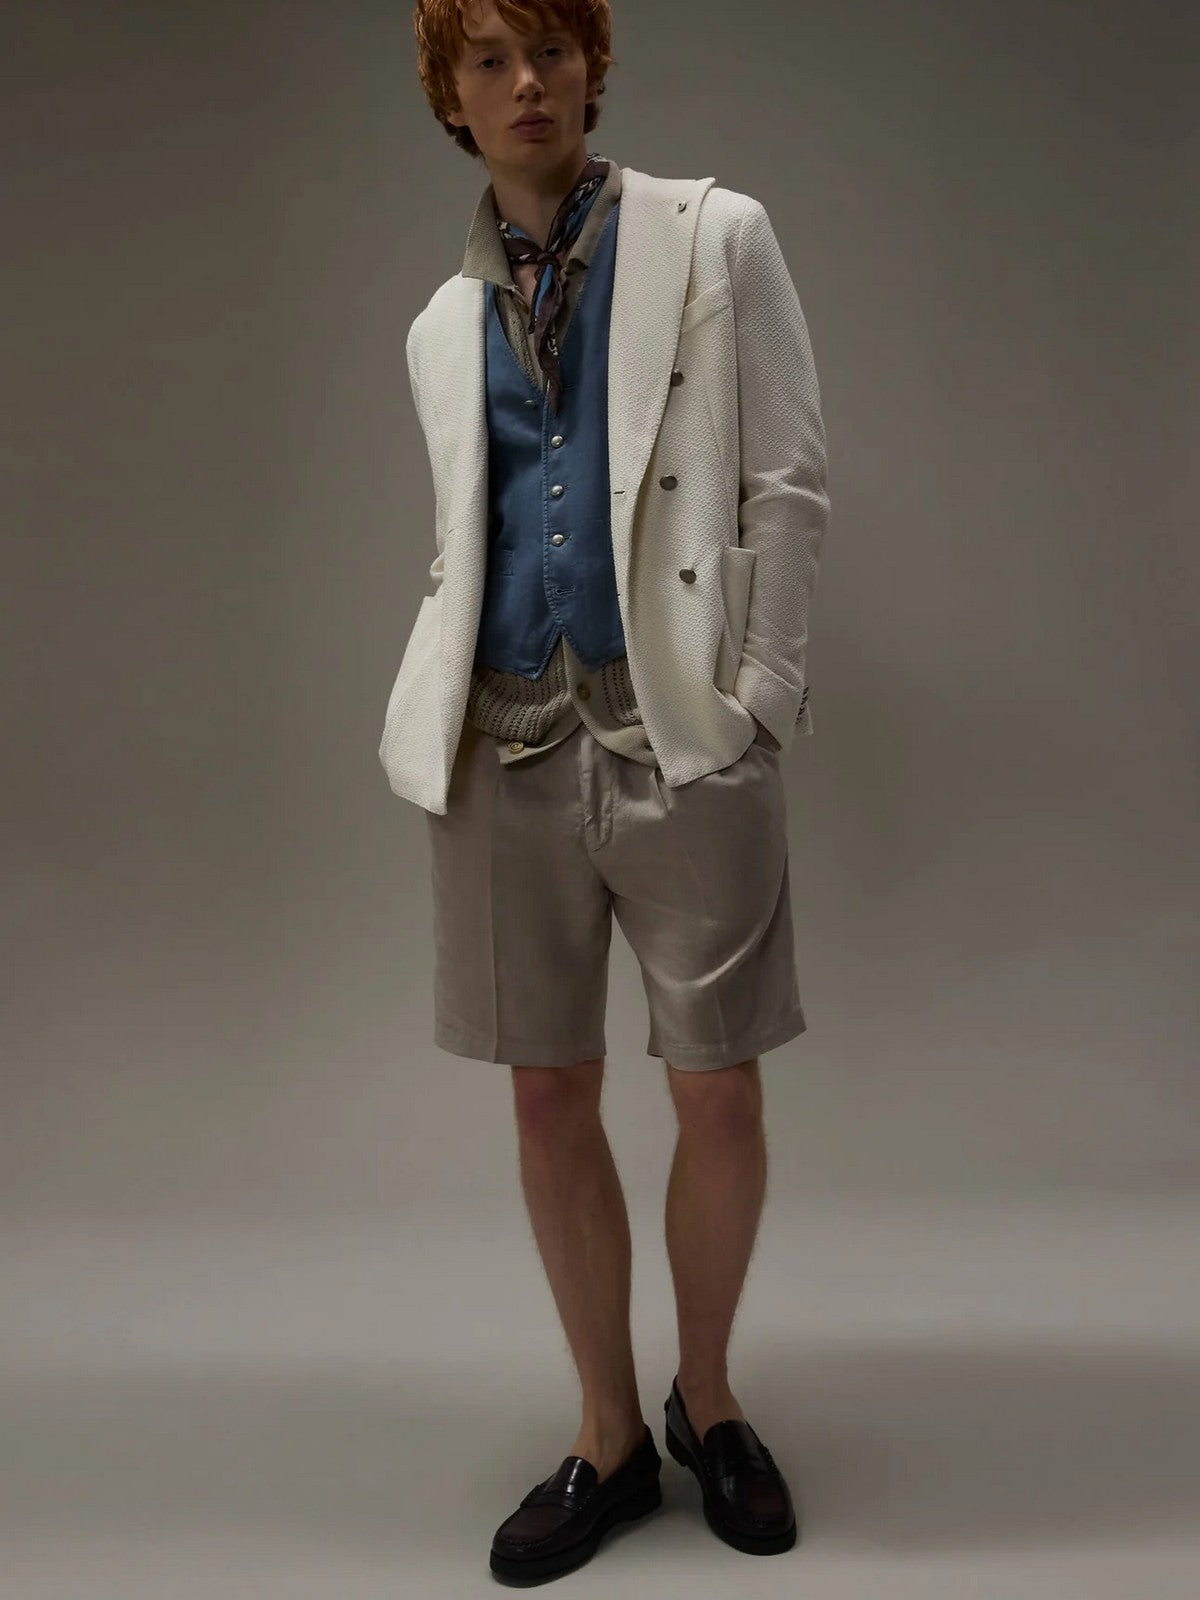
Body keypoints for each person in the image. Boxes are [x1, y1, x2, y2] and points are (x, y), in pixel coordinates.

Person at [383, 0, 830, 1583]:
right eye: (490, 61)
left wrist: (759, 702)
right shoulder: (440, 326)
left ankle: (709, 1402)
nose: (528, 84)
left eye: (552, 51)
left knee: (720, 1090)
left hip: (680, 734)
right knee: (544, 1094)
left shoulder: (715, 239)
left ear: (591, 69)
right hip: (500, 744)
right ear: (450, 97)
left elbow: (785, 480)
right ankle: (607, 1432)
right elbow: (475, 533)